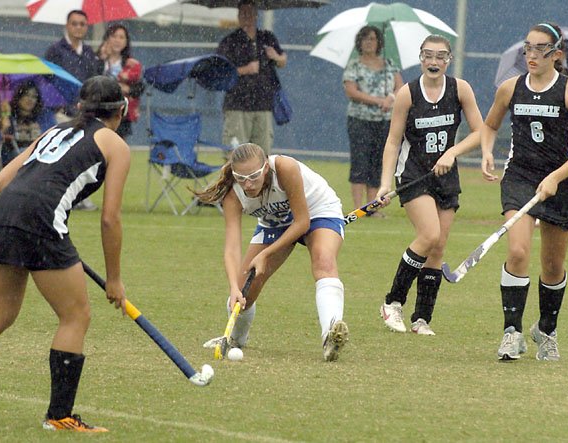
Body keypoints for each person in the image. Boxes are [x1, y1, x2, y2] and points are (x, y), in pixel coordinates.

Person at [0, 76, 131, 431]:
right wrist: (114, 279)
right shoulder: (115, 145)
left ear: (80, 107)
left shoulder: (54, 131)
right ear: (120, 111)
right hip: (42, 221)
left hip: (6, 212)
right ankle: (60, 416)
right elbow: (110, 219)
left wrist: (35, 218)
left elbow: (0, 182)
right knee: (76, 315)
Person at [481, 23, 568, 361]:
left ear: (556, 54)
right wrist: (487, 150)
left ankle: (546, 329)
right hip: (520, 176)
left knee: (553, 265)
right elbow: (489, 125)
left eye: (540, 49)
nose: (531, 54)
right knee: (517, 252)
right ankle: (511, 333)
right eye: (528, 47)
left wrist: (556, 177)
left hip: (560, 181)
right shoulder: (510, 88)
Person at [195, 143, 349, 362]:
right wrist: (232, 288)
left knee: (323, 261)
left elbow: (302, 222)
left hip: (317, 211)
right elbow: (231, 247)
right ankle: (236, 339)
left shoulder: (284, 168)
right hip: (274, 222)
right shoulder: (233, 194)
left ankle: (331, 336)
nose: (248, 184)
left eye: (254, 176)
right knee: (244, 288)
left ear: (266, 167)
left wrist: (265, 255)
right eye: (241, 178)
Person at [376, 35, 483, 336]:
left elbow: (480, 132)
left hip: (446, 176)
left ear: (448, 59)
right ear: (421, 58)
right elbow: (393, 141)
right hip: (413, 174)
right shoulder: (407, 94)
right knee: (429, 234)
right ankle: (392, 302)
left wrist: (453, 152)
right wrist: (385, 183)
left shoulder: (460, 89)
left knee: (437, 248)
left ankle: (421, 319)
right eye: (428, 55)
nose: (434, 62)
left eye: (440, 56)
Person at [45, 9, 102, 211]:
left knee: (83, 156)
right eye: (74, 23)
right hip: (62, 114)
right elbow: (48, 80)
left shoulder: (89, 54)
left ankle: (78, 195)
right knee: (63, 158)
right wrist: (59, 104)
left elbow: (94, 82)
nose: (78, 27)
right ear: (67, 26)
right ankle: (59, 196)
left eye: (82, 24)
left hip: (84, 114)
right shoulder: (55, 50)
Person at [343, 25, 403, 218]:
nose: (369, 42)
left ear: (379, 42)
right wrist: (378, 101)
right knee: (360, 161)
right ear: (359, 42)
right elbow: (351, 91)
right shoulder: (354, 65)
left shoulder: (389, 64)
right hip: (360, 119)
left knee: (378, 161)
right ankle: (358, 207)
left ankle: (372, 207)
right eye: (366, 38)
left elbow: (400, 85)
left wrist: (391, 99)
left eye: (373, 39)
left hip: (384, 120)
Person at [216, 0, 287, 155]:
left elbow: (283, 61)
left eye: (249, 13)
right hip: (237, 105)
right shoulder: (230, 42)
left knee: (262, 154)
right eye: (242, 14)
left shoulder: (267, 38)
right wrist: (244, 70)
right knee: (236, 155)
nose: (245, 17)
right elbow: (220, 72)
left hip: (263, 105)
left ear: (256, 15)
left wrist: (276, 56)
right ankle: (235, 180)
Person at [98, 23, 143, 140]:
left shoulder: (131, 64)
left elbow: (139, 88)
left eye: (121, 37)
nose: (117, 40)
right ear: (107, 38)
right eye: (114, 36)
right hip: (99, 110)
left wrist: (128, 89)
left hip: (121, 113)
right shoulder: (98, 60)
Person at [1, 82, 57, 167]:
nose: (30, 99)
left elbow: (51, 137)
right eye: (26, 95)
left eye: (34, 96)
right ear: (19, 97)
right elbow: (1, 139)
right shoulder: (10, 115)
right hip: (14, 158)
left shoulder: (43, 117)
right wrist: (5, 118)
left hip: (39, 155)